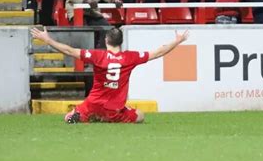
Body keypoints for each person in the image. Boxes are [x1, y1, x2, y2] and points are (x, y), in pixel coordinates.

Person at [30, 26, 189, 123]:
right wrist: (177, 41)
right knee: (140, 116)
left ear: (106, 40)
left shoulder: (97, 56)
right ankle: (110, 116)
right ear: (121, 42)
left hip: (92, 104)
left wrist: (47, 39)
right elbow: (158, 52)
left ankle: (82, 115)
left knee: (68, 118)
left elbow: (69, 50)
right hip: (114, 109)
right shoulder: (130, 57)